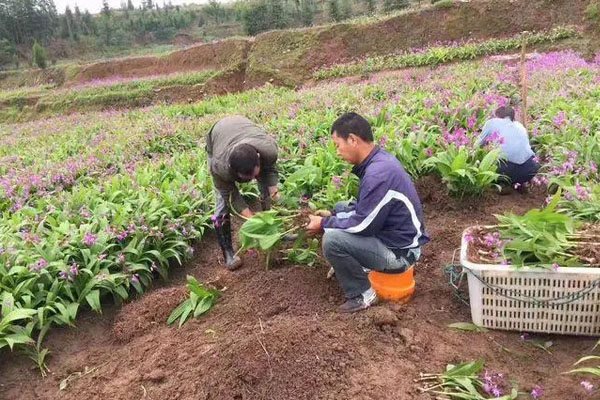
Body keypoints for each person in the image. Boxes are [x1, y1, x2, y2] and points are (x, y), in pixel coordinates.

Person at [306, 112, 429, 313]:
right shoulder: (379, 162)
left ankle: (362, 294)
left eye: (338, 145)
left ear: (353, 139)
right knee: (341, 208)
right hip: (393, 240)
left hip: (401, 254)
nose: (337, 151)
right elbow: (365, 209)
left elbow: (363, 224)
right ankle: (359, 267)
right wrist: (332, 215)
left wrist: (323, 224)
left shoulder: (378, 174)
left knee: (333, 240)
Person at [206, 115, 280, 270]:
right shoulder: (220, 167)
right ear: (234, 172)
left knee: (269, 189)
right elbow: (231, 196)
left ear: (258, 160)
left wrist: (274, 191)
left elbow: (270, 171)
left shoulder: (268, 150)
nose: (252, 179)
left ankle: (273, 230)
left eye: (254, 175)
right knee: (222, 203)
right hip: (218, 136)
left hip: (243, 128)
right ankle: (228, 252)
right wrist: (251, 219)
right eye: (246, 178)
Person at [478, 106, 540, 193]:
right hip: (529, 169)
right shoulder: (520, 126)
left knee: (485, 159)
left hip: (504, 169)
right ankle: (519, 183)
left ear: (497, 116)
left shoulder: (492, 123)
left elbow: (477, 145)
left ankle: (502, 183)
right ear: (512, 118)